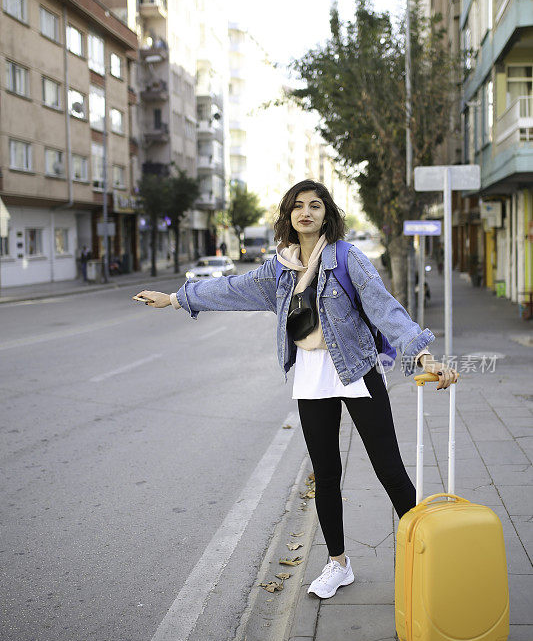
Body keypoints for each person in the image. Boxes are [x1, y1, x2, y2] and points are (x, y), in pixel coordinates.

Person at [134, 180, 457, 599]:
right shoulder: (280, 269)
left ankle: (431, 556)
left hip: (357, 369)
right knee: (325, 474)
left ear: (327, 215)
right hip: (311, 375)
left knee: (389, 469)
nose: (306, 212)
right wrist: (178, 298)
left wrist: (422, 355)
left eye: (315, 206)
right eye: (298, 206)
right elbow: (232, 289)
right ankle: (338, 564)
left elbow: (383, 306)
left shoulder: (346, 258)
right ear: (288, 216)